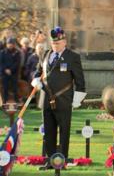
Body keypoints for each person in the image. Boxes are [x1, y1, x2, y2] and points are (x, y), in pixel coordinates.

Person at [31, 26, 86, 170]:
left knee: (63, 132)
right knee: (49, 132)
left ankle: (61, 162)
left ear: (64, 42)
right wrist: (36, 81)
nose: (55, 45)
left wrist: (77, 98)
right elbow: (37, 73)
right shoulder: (45, 55)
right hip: (46, 100)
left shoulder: (72, 57)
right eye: (53, 43)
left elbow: (80, 80)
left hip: (64, 100)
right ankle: (50, 161)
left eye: (58, 43)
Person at [0, 38, 21, 102]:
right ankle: (4, 101)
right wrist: (6, 69)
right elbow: (1, 62)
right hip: (4, 73)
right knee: (5, 88)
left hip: (14, 72)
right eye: (9, 44)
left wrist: (10, 70)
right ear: (6, 44)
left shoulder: (17, 52)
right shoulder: (2, 52)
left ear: (14, 44)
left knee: (15, 88)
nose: (10, 45)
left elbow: (17, 63)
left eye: (12, 44)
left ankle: (16, 101)